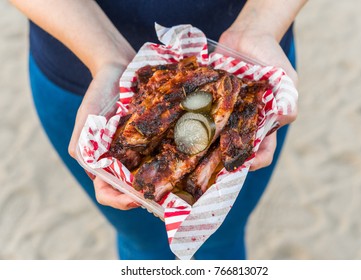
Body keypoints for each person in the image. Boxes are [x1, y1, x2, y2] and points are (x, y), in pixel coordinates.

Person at [10, 0, 306, 259]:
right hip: (78, 69)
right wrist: (105, 56)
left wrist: (262, 23)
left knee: (220, 240)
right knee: (144, 244)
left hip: (256, 57)